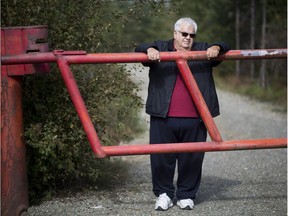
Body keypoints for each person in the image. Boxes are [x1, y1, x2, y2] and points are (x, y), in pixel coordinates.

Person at [135, 17, 229, 211]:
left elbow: (226, 45)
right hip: (163, 116)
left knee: (192, 158)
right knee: (161, 158)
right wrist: (149, 50)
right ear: (175, 33)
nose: (188, 38)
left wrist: (217, 47)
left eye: (192, 35)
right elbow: (140, 47)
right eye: (184, 34)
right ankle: (164, 194)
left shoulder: (203, 49)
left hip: (196, 118)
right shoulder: (160, 47)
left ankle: (186, 195)